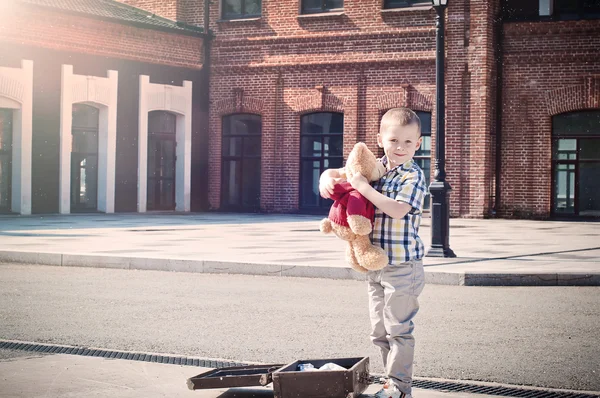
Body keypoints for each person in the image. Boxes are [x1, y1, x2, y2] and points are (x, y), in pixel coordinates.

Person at [319, 107, 427, 398]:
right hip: (375, 266)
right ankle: (391, 384)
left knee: (398, 330)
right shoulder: (373, 167)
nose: (400, 148)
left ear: (418, 143)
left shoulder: (414, 176)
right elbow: (340, 175)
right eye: (393, 141)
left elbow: (397, 210)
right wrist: (326, 178)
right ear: (380, 139)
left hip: (403, 267)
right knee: (379, 332)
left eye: (408, 142)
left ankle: (400, 388)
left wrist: (363, 188)